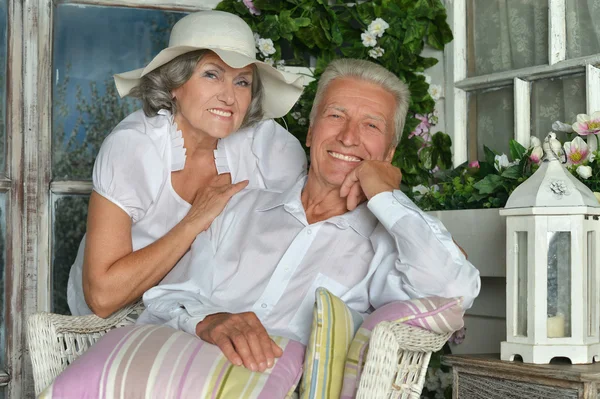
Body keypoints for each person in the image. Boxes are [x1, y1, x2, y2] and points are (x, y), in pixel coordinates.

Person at [138, 58, 481, 373]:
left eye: (371, 126)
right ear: (311, 131)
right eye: (335, 116)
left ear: (388, 154)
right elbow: (165, 299)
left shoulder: (386, 248)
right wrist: (209, 320)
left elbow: (452, 290)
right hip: (182, 375)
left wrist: (387, 197)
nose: (348, 137)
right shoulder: (238, 207)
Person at [66, 11, 308, 317]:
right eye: (211, 74)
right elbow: (103, 297)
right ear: (173, 85)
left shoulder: (269, 148)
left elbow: (307, 233)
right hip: (121, 318)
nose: (229, 98)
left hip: (214, 312)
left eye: (242, 82)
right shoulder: (135, 147)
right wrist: (196, 219)